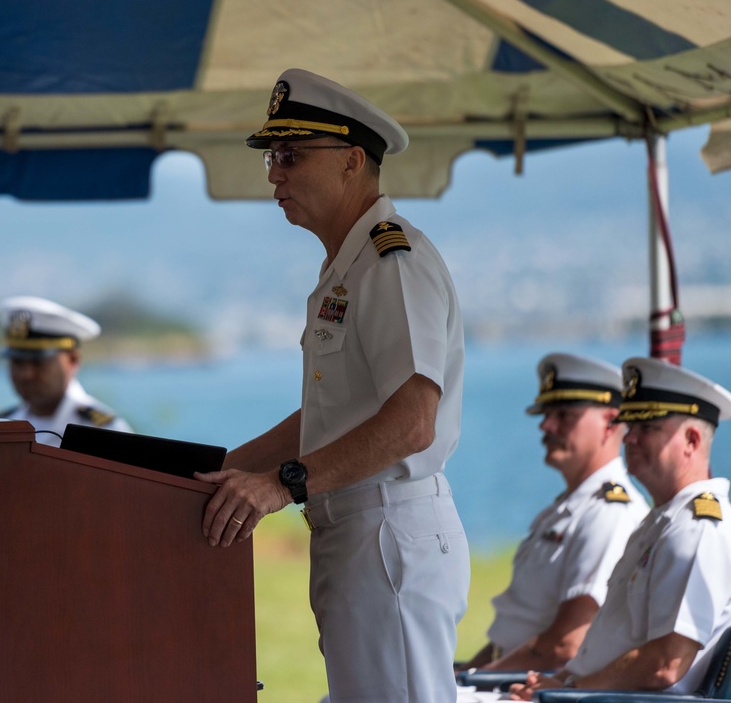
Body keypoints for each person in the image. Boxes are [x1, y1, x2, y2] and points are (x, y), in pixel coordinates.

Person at [194, 68, 470, 702]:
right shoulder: (346, 268)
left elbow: (411, 423)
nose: (273, 173)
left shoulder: (391, 260)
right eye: (272, 156)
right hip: (354, 531)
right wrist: (217, 477)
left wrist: (281, 485)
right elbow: (325, 419)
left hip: (386, 532)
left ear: (351, 162)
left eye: (290, 155)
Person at [510, 356, 731, 699]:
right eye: (631, 426)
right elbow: (607, 647)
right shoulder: (661, 523)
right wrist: (559, 682)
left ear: (691, 440)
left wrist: (567, 689)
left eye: (647, 427)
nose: (629, 439)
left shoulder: (697, 528)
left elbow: (666, 663)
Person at [459, 353, 650, 674]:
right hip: (513, 677)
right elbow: (512, 636)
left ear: (610, 422)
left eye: (564, 414)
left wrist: (472, 681)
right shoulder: (564, 510)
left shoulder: (608, 514)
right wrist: (465, 675)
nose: (546, 425)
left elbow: (567, 646)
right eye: (546, 413)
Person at [0, 295, 131, 445]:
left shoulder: (105, 432)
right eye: (17, 362)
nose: (26, 374)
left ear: (73, 360)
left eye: (38, 362)